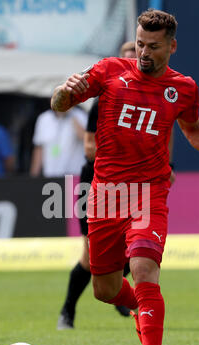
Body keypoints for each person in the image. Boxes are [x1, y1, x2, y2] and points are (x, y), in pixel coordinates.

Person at [51, 9, 199, 345]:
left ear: (171, 46)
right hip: (105, 194)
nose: (144, 52)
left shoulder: (183, 87)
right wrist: (62, 91)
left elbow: (192, 127)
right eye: (140, 44)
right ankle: (144, 305)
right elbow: (60, 105)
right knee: (104, 289)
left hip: (149, 193)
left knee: (143, 270)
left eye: (152, 46)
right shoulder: (108, 71)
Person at [57, 42, 137, 330]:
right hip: (96, 182)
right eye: (125, 60)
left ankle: (116, 290)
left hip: (133, 184)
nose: (131, 66)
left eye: (136, 59)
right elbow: (90, 147)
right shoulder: (104, 98)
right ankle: (67, 311)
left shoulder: (149, 99)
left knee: (137, 249)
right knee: (90, 258)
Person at [30, 107, 87, 177]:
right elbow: (39, 149)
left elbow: (86, 139)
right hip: (51, 176)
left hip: (74, 176)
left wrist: (71, 116)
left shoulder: (80, 115)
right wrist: (34, 175)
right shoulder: (44, 118)